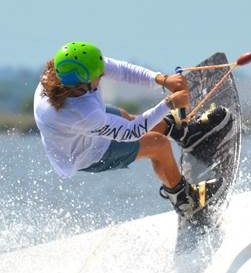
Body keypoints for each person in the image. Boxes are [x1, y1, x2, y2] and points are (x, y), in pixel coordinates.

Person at [33, 41, 226, 219]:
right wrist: (169, 103)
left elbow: (120, 70)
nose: (102, 76)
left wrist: (162, 79)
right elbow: (131, 132)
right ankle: (186, 200)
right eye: (98, 76)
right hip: (85, 154)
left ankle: (184, 133)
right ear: (83, 82)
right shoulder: (85, 114)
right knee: (158, 145)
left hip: (75, 131)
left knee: (125, 116)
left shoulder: (64, 74)